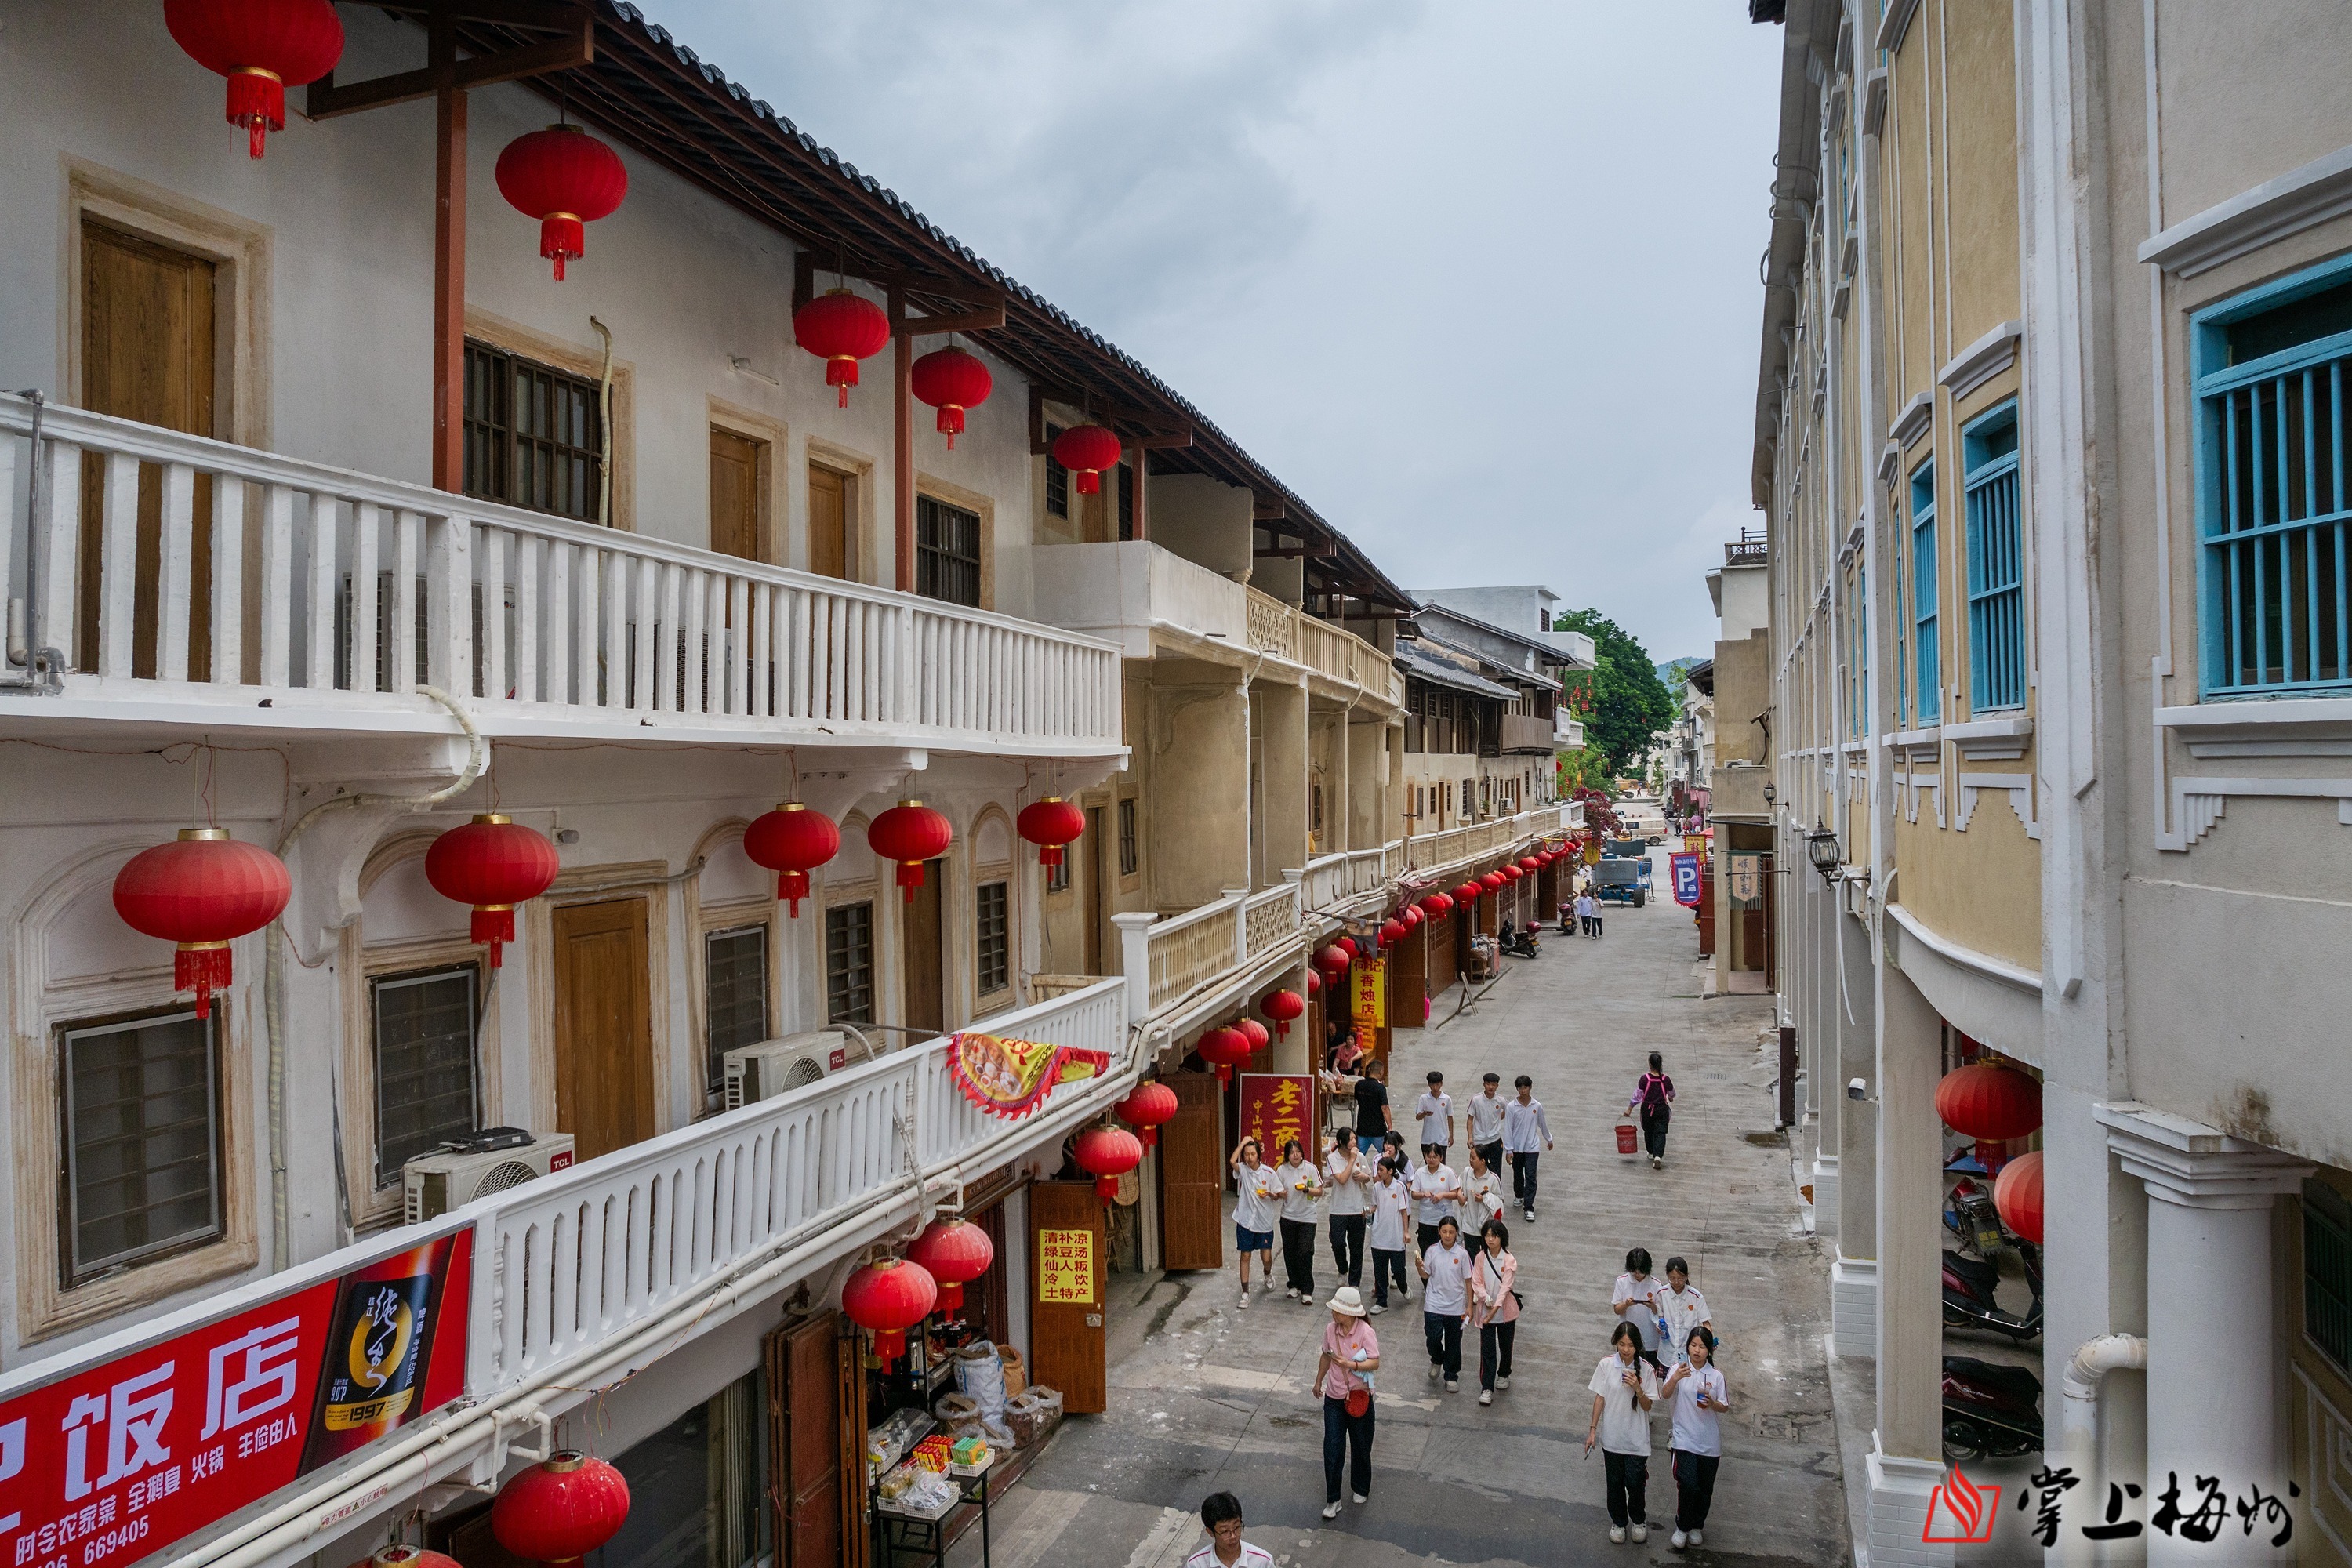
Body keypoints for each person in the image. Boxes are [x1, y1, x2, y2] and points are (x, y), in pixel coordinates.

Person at [1585, 1321, 1660, 1544]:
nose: (1626, 1350)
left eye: (1630, 1345)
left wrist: (1638, 1387)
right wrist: (1592, 1430)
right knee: (1615, 1484)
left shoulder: (1646, 1369)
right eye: (1621, 1344)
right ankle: (1618, 1522)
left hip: (1637, 1441)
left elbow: (1647, 1406)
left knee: (1635, 1483)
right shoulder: (1606, 1365)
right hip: (1612, 1439)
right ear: (1615, 1343)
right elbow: (1600, 1398)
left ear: (1637, 1346)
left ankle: (1638, 1521)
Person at [1311, 1286, 1380, 1519]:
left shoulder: (1366, 1332)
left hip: (1359, 1398)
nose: (1333, 1313)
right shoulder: (1330, 1330)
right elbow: (1326, 1355)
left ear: (1350, 1313)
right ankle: (1333, 1499)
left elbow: (1375, 1362)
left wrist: (1352, 1365)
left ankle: (1361, 1486)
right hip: (1334, 1398)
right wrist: (1318, 1381)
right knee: (1332, 1448)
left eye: (1337, 1310)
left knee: (1361, 1446)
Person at [1663, 1327, 1730, 1551]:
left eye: (1702, 1347)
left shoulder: (1716, 1376)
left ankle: (1697, 1526)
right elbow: (1665, 1394)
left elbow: (1724, 1406)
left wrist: (1712, 1404)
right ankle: (1682, 1526)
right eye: (1693, 1345)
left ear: (1709, 1350)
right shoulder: (1678, 1369)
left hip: (1709, 1443)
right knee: (1688, 1484)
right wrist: (1676, 1378)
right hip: (1684, 1439)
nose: (1697, 1351)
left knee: (1705, 1489)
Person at [1414, 1214, 1473, 1392]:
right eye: (1445, 1231)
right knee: (1433, 1336)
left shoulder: (1462, 1254)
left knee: (1454, 1342)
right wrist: (1419, 1266)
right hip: (1434, 1303)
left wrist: (1469, 1305)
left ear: (1456, 1233)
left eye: (1451, 1232)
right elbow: (1426, 1274)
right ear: (1439, 1232)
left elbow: (1468, 1280)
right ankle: (1437, 1358)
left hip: (1455, 1306)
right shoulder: (1432, 1251)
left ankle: (1451, 1375)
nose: (1448, 1235)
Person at [1468, 1218, 1519, 1406]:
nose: (1490, 1239)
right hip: (1486, 1311)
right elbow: (1476, 1282)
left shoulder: (1509, 1260)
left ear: (1501, 1238)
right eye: (1487, 1235)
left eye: (1494, 1236)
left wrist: (1494, 1307)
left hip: (1505, 1313)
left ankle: (1504, 1373)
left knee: (1506, 1346)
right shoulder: (1481, 1257)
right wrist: (1485, 1298)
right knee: (1487, 1350)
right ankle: (1487, 1387)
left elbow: (1506, 1288)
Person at [1229, 1138, 1282, 1310]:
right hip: (1245, 1221)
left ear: (1259, 1155)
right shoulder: (1243, 1170)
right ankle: (1245, 1293)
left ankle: (1268, 1273)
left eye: (1252, 1154)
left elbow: (1280, 1194)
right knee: (1245, 1256)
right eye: (1246, 1154)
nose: (1249, 1157)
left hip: (1263, 1222)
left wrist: (1271, 1194)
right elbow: (1232, 1161)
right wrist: (1243, 1142)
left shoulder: (1269, 1173)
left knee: (1266, 1257)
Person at [1274, 1138, 1325, 1303]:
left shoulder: (1310, 1168)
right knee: (1290, 1252)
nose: (1295, 1155)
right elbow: (1276, 1192)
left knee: (1305, 1251)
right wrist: (1279, 1194)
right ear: (1287, 1155)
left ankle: (1307, 1289)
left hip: (1308, 1217)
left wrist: (1307, 1189)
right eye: (1291, 1153)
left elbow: (1320, 1191)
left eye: (1297, 1152)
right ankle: (1293, 1284)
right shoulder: (1282, 1170)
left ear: (1302, 1153)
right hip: (1288, 1216)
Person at [1502, 1074, 1554, 1221]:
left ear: (1530, 1087)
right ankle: (1519, 1195)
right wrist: (1509, 1149)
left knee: (1531, 1176)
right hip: (1517, 1148)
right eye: (1520, 1088)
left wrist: (1549, 1138)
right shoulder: (1511, 1107)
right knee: (1518, 1175)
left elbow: (1542, 1123)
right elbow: (1508, 1128)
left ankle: (1529, 1207)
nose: (1523, 1091)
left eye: (1525, 1087)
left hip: (1532, 1147)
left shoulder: (1536, 1106)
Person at [1324, 1131, 1370, 1290]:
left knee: (1356, 1248)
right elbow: (1342, 1180)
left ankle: (1354, 1282)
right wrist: (1351, 1160)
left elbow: (1368, 1176)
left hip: (1357, 1208)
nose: (1354, 1142)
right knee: (1337, 1243)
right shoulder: (1333, 1158)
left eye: (1355, 1139)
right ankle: (1343, 1268)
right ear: (1341, 1142)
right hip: (1338, 1209)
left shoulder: (1360, 1157)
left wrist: (1364, 1177)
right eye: (1350, 1139)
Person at [1612, 1247, 1667, 1378]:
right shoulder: (1622, 1281)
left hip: (1650, 1340)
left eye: (1640, 1271)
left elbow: (1660, 1313)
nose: (1637, 1274)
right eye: (1634, 1271)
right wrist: (1626, 1304)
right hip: (1628, 1337)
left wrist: (1652, 1306)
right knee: (1626, 1374)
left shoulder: (1656, 1285)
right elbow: (1617, 1310)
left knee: (1647, 1376)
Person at [1367, 1154, 1412, 1312]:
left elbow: (1404, 1210)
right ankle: (1382, 1302)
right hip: (1379, 1235)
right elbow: (1375, 1206)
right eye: (1378, 1170)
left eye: (1381, 1170)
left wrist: (1406, 1232)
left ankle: (1403, 1286)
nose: (1378, 1173)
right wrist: (1368, 1211)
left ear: (1390, 1171)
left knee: (1398, 1269)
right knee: (1380, 1271)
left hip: (1395, 1236)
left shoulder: (1399, 1187)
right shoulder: (1376, 1188)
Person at [1185, 1493, 1275, 1568]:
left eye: (1236, 1528)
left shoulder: (1263, 1562)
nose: (1233, 1536)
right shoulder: (1196, 1565)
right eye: (1225, 1531)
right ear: (1210, 1532)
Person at [1658, 1257, 1714, 1367]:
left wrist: (1709, 1343)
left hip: (1688, 1352)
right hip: (1667, 1352)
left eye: (1680, 1279)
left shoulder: (1696, 1297)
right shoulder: (1661, 1293)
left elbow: (1706, 1323)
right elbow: (1659, 1316)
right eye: (1672, 1278)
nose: (1676, 1282)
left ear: (1687, 1276)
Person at [1407, 1143, 1460, 1254]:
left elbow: (1456, 1193)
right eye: (1429, 1157)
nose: (1431, 1160)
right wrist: (1423, 1194)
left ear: (1441, 1157)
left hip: (1444, 1218)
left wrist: (1443, 1195)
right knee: (1426, 1252)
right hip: (1425, 1219)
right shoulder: (1420, 1173)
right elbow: (1414, 1194)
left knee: (1444, 1251)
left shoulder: (1448, 1172)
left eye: (1435, 1157)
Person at [1629, 1051, 1676, 1168]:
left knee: (1648, 1130)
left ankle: (1650, 1152)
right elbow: (1672, 1093)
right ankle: (1658, 1156)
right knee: (1661, 1132)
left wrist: (1629, 1109)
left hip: (1647, 1109)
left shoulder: (1644, 1079)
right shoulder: (1666, 1079)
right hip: (1661, 1109)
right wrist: (1670, 1097)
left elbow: (1637, 1096)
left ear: (1650, 1064)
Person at [1465, 1071, 1507, 1175]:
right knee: (1479, 1167)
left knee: (1496, 1170)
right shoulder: (1476, 1099)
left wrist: (1498, 1119)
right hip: (1480, 1139)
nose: (1491, 1087)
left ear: (1497, 1086)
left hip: (1495, 1139)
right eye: (1488, 1084)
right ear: (1484, 1084)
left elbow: (1509, 1110)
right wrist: (1470, 1137)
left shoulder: (1501, 1100)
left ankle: (1495, 1186)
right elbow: (1470, 1119)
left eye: (1493, 1084)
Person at [1352, 1058, 1392, 1155]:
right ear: (1381, 1072)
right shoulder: (1380, 1088)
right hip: (1377, 1129)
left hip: (1362, 1128)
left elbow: (1357, 1100)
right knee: (1386, 1155)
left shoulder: (1359, 1085)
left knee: (1358, 1156)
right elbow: (1385, 1108)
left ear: (1369, 1070)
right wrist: (1390, 1127)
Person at [1461, 1145, 1504, 1231]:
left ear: (1483, 1161)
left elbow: (1500, 1202)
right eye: (1470, 1157)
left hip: (1485, 1227)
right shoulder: (1467, 1172)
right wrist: (1459, 1195)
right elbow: (1458, 1185)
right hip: (1468, 1226)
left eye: (1473, 1158)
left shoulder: (1493, 1179)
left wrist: (1485, 1199)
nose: (1470, 1160)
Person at [1414, 1069, 1454, 1156]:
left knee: (1441, 1163)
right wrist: (1424, 1114)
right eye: (1432, 1085)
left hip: (1442, 1140)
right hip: (1427, 1139)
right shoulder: (1423, 1099)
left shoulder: (1447, 1099)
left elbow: (1450, 1117)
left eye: (1437, 1085)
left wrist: (1451, 1136)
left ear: (1441, 1084)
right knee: (1428, 1163)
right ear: (1429, 1084)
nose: (1435, 1088)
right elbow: (1418, 1117)